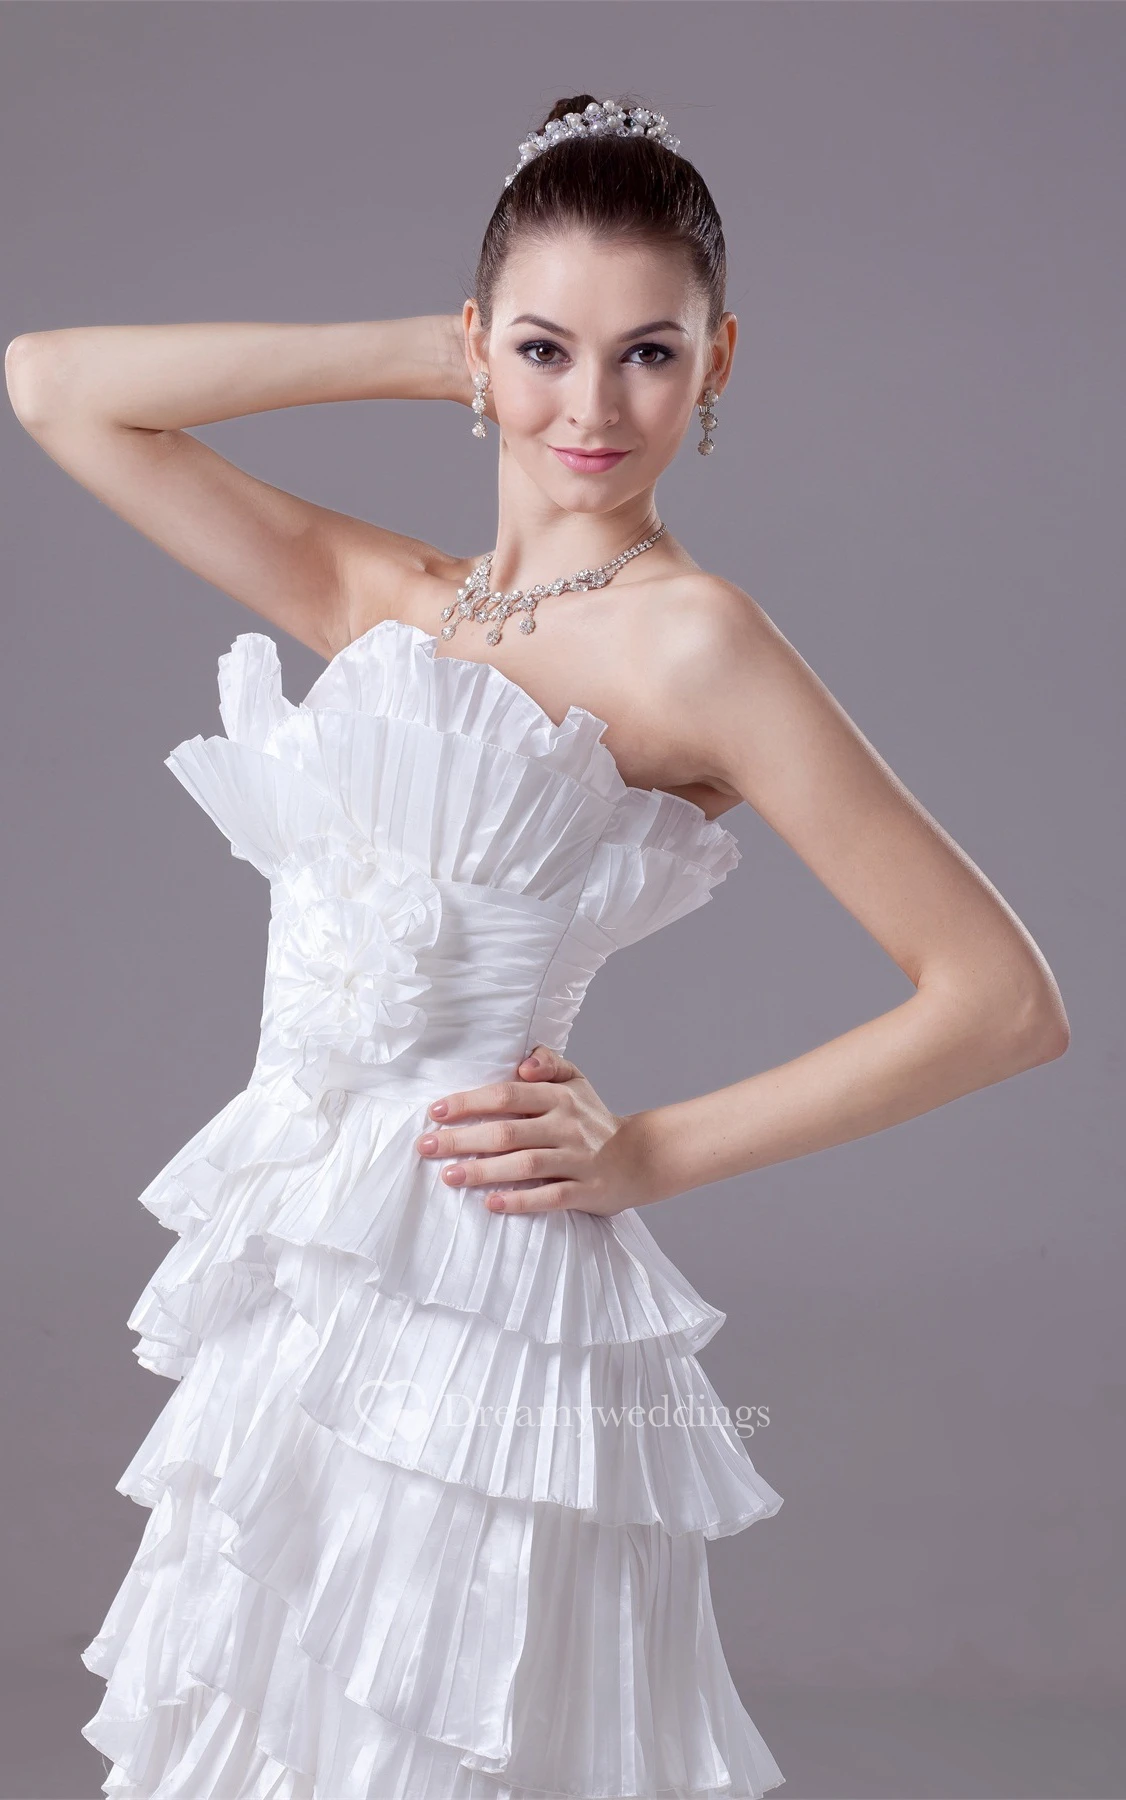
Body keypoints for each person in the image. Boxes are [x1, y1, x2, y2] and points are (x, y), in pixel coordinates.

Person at [7, 91, 1068, 1800]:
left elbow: (1001, 1003)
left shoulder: (697, 645)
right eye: (543, 350)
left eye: (648, 353)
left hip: (482, 1295)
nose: (592, 406)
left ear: (717, 364)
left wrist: (645, 1154)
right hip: (297, 1273)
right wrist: (427, 355)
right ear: (479, 347)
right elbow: (56, 383)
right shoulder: (378, 592)